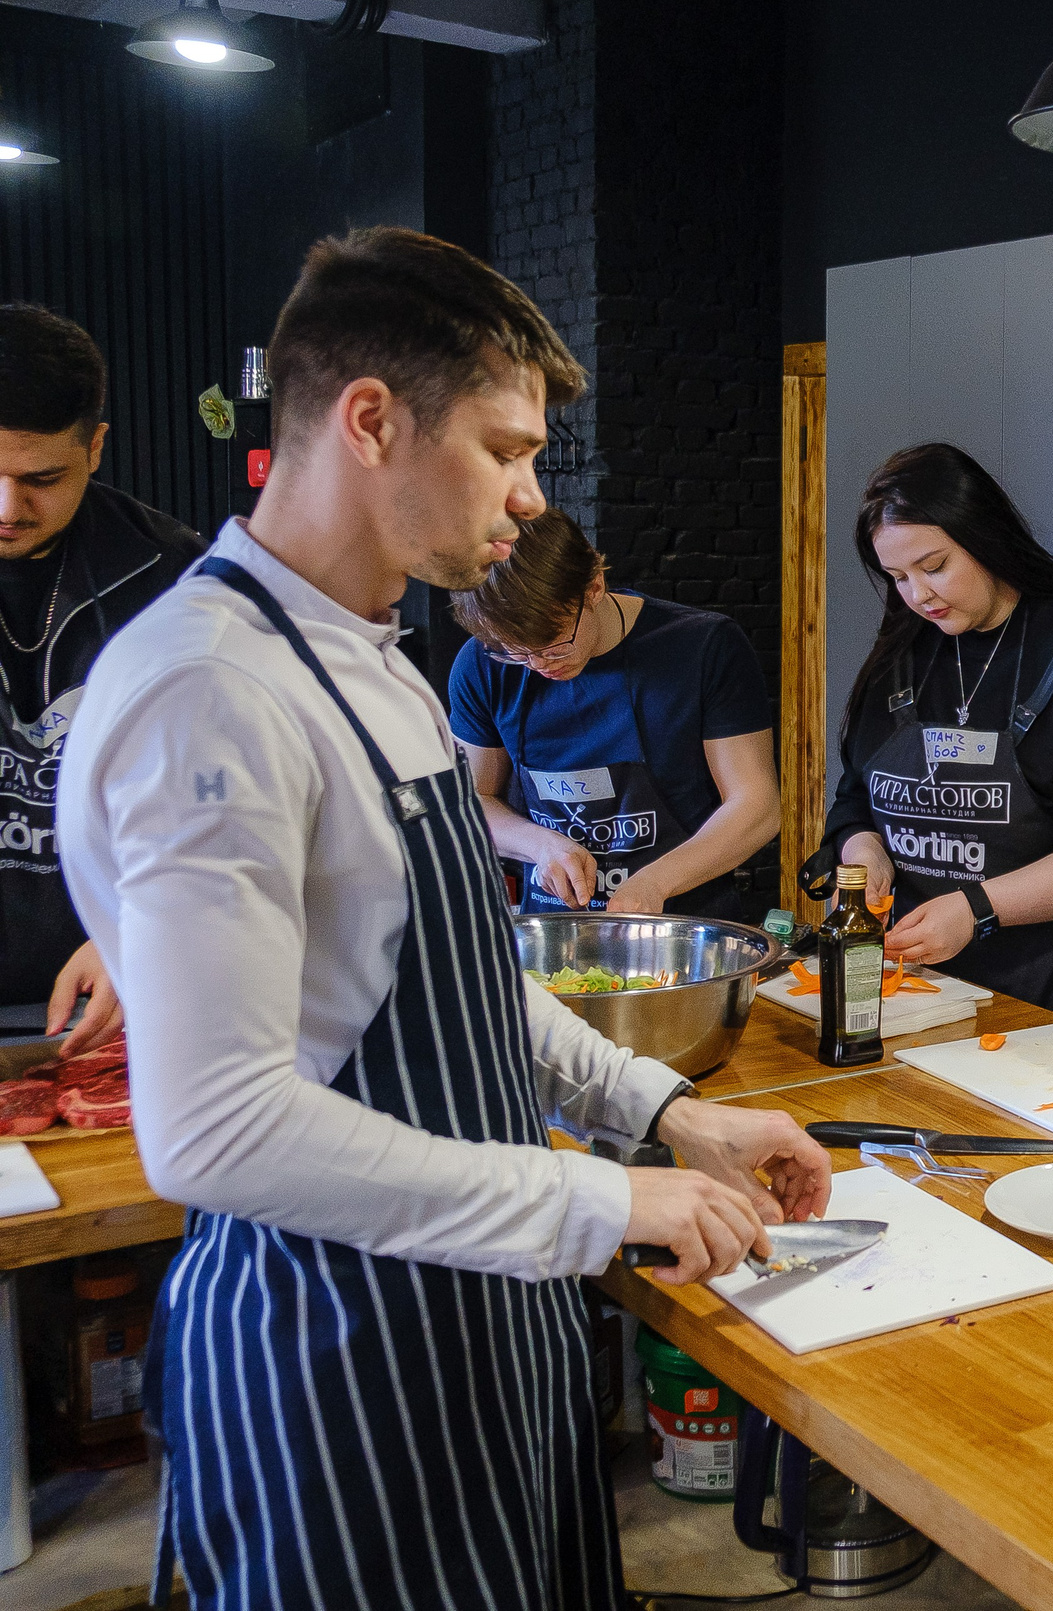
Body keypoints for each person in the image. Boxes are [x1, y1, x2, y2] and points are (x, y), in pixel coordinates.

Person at [56, 227, 831, 1609]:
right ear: (369, 420)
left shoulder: (385, 663)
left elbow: (465, 977)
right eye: (507, 448)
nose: (533, 500)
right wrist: (604, 1195)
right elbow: (213, 1127)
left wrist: (663, 1112)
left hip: (482, 1320)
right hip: (335, 1361)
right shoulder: (207, 690)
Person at [817, 443, 1053, 1025]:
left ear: (983, 536)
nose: (919, 596)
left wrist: (977, 909)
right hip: (926, 989)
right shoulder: (903, 649)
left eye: (934, 566)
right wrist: (865, 859)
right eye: (897, 578)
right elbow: (854, 800)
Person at [0, 304, 203, 1047]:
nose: (7, 508)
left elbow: (217, 796)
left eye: (40, 478)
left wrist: (137, 925)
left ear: (95, 448)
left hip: (114, 1000)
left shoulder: (173, 576)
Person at [447, 509, 778, 920]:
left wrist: (658, 880)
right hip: (554, 926)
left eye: (554, 643)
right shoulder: (482, 665)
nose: (538, 665)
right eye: (514, 651)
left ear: (594, 587)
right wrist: (541, 845)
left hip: (685, 923)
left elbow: (756, 806)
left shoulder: (703, 647)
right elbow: (472, 799)